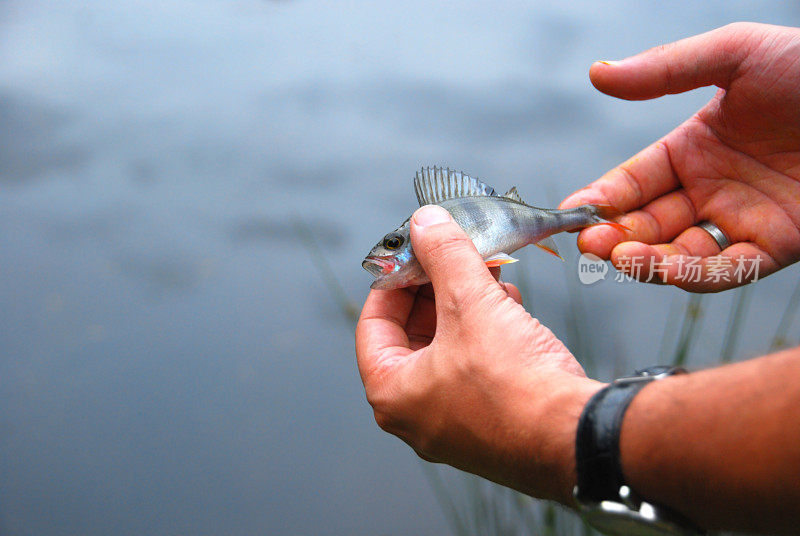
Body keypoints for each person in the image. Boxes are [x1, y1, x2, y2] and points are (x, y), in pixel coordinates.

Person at [355, 22, 800, 535]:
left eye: (392, 245)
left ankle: (584, 215)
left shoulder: (431, 225)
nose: (384, 256)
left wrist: (549, 425)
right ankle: (586, 216)